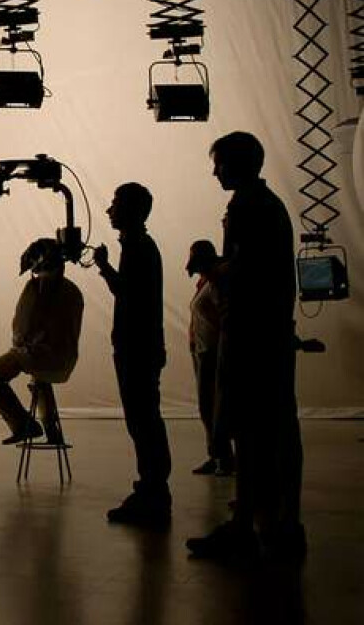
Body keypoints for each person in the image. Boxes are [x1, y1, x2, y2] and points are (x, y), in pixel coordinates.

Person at [186, 132, 305, 562]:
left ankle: (245, 529)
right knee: (276, 429)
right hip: (268, 334)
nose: (214, 172)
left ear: (238, 164)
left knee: (250, 431)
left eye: (219, 163)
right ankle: (278, 521)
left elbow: (244, 273)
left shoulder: (246, 207)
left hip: (251, 337)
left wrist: (211, 267)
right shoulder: (269, 205)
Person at [93, 182, 172, 528]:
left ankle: (153, 492)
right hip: (140, 347)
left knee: (143, 421)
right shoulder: (139, 246)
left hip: (137, 348)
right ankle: (152, 490)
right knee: (143, 420)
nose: (109, 210)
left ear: (131, 210)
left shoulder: (139, 248)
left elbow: (128, 293)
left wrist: (104, 266)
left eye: (115, 204)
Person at [0, 238, 84, 445]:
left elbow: (23, 325)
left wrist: (19, 349)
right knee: (40, 379)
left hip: (38, 354)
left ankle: (23, 426)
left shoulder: (36, 287)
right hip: (64, 359)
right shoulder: (73, 290)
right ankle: (53, 432)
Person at [186, 239, 234, 476]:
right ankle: (215, 454)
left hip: (214, 351)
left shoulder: (216, 281)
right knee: (207, 407)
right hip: (202, 351)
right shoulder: (203, 282)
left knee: (215, 407)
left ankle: (223, 457)